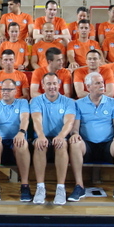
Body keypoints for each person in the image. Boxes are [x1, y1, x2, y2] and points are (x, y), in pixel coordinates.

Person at [67, 72, 114, 204]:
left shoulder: (112, 103)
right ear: (88, 87)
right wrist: (75, 134)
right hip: (87, 145)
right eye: (97, 83)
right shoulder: (78, 104)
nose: (102, 85)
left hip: (108, 145)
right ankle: (79, 186)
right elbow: (75, 127)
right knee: (74, 142)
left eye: (102, 82)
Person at [30, 72, 76, 205]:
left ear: (59, 85)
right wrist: (40, 135)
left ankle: (60, 188)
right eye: (49, 84)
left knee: (62, 145)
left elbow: (69, 122)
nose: (52, 87)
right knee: (40, 144)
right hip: (42, 135)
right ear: (43, 85)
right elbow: (37, 120)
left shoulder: (68, 102)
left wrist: (61, 136)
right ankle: (40, 187)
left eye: (54, 83)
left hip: (59, 135)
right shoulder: (36, 101)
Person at [0, 78, 32, 202]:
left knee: (21, 144)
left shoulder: (22, 102)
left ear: (15, 91)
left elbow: (25, 118)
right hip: (0, 138)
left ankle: (25, 185)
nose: (5, 92)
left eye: (8, 89)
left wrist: (21, 132)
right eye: (3, 89)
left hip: (16, 137)